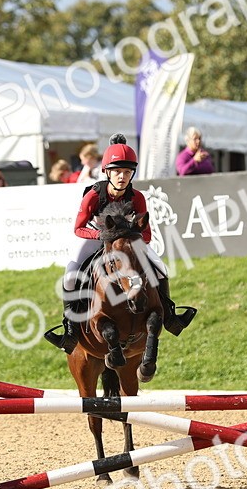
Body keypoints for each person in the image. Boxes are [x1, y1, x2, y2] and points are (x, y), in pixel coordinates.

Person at [44, 134, 197, 353]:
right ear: (107, 172)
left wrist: (128, 240)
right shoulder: (94, 195)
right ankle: (69, 330)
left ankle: (170, 316)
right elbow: (78, 228)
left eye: (127, 172)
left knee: (161, 268)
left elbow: (146, 235)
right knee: (70, 276)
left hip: (127, 241)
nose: (122, 177)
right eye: (117, 172)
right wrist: (103, 237)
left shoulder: (137, 197)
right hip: (95, 237)